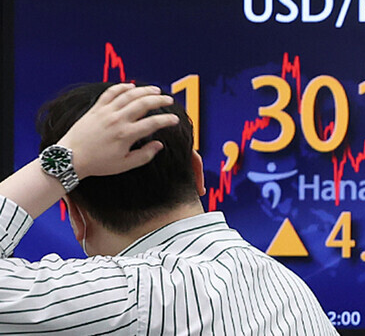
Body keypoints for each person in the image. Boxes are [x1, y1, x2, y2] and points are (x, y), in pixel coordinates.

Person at [0, 83, 338, 335]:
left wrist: (60, 166)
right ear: (197, 171)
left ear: (74, 213)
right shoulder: (287, 287)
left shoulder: (134, 296)